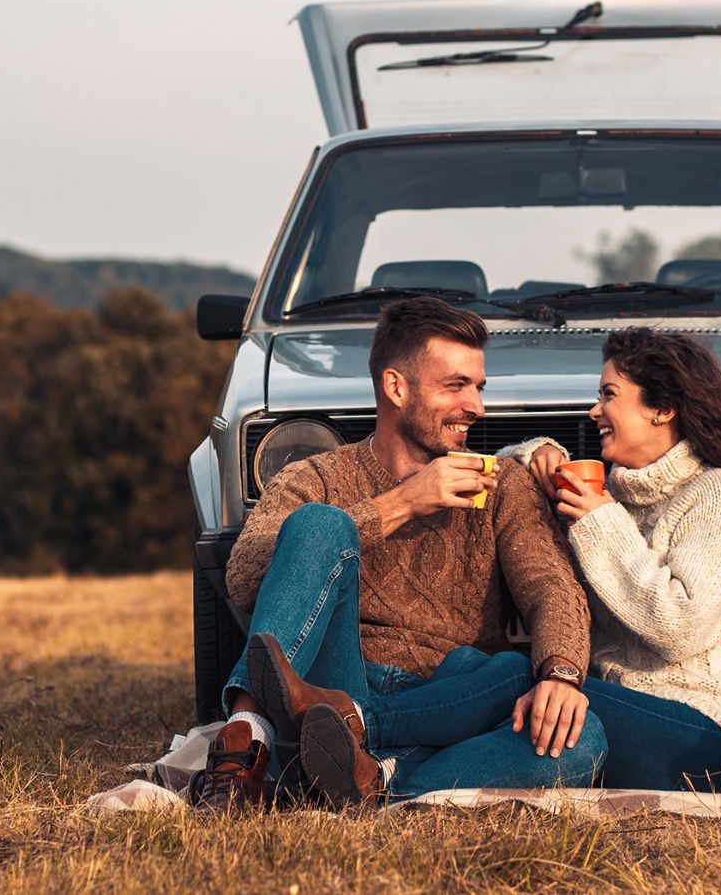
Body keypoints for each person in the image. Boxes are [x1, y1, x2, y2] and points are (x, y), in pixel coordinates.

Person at [302, 326, 721, 795]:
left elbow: (678, 627)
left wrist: (600, 523)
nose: (595, 411)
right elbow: (508, 467)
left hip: (708, 743)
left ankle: (361, 722)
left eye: (609, 395)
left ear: (661, 409)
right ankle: (383, 779)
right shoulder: (612, 492)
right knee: (473, 669)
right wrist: (541, 453)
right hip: (622, 715)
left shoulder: (717, 496)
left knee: (515, 676)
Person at [189, 297, 606, 812]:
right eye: (455, 386)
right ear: (395, 387)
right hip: (332, 683)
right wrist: (404, 503)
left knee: (581, 740)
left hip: (446, 704)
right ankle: (251, 743)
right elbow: (245, 578)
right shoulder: (316, 477)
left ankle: (370, 774)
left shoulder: (502, 485)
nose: (476, 406)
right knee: (321, 523)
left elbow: (551, 586)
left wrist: (561, 675)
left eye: (478, 387)